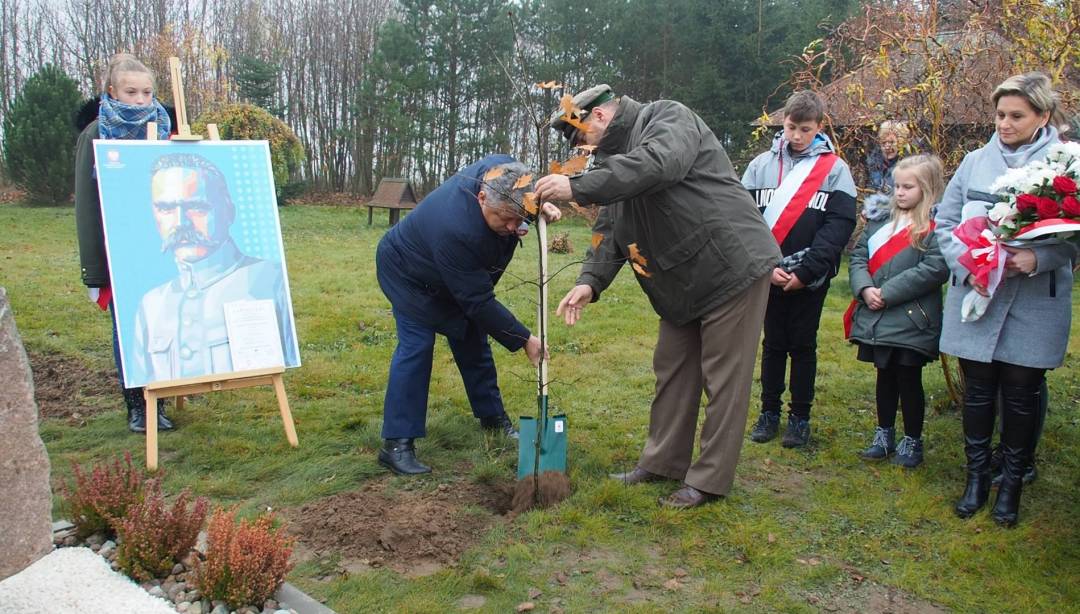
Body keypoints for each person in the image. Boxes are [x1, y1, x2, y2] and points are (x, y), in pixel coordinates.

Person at [534, 85, 781, 509]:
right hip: (680, 280)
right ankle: (663, 461)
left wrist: (577, 186)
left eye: (579, 137)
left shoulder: (667, 118)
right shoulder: (613, 162)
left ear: (598, 117)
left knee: (724, 378)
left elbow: (658, 165)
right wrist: (589, 281)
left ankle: (708, 480)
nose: (581, 147)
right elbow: (611, 230)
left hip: (730, 264)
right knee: (672, 368)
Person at [935, 72, 1075, 527]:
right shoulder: (975, 161)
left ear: (1042, 116)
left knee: (1020, 394)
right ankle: (975, 479)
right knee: (978, 391)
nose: (1005, 124)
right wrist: (970, 264)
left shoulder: (1066, 164)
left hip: (1034, 299)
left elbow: (1074, 236)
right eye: (999, 115)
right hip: (978, 294)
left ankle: (1011, 483)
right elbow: (945, 222)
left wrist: (1038, 257)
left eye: (1016, 116)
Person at [375, 156, 561, 475]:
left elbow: (518, 193)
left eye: (521, 219)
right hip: (409, 274)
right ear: (481, 198)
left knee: (473, 338)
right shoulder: (455, 228)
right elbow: (477, 301)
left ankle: (492, 418)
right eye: (507, 220)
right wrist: (524, 340)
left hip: (455, 273)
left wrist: (536, 205)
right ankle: (397, 444)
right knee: (417, 347)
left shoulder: (504, 173)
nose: (516, 229)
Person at [741, 91, 857, 448]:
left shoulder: (835, 170)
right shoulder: (760, 165)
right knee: (773, 344)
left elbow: (839, 225)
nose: (796, 136)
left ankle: (800, 418)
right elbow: (744, 219)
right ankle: (769, 413)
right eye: (791, 127)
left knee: (803, 345)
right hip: (768, 273)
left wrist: (806, 272)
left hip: (811, 277)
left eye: (805, 129)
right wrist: (766, 266)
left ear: (818, 127)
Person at [130, 153, 297, 384]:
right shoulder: (151, 304)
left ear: (229, 212)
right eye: (166, 208)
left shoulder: (271, 281)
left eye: (197, 207)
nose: (181, 223)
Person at [75, 53, 174, 433]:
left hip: (161, 247)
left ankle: (159, 399)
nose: (139, 100)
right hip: (119, 251)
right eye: (131, 92)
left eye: (147, 92)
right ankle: (136, 404)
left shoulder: (163, 130)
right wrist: (95, 270)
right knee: (129, 327)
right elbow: (87, 206)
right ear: (113, 92)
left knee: (162, 323)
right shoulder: (96, 134)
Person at [847, 154, 949, 468]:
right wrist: (865, 288)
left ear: (928, 188)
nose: (900, 192)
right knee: (885, 378)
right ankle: (884, 434)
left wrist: (887, 293)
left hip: (911, 319)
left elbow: (934, 268)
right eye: (897, 186)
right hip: (878, 317)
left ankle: (912, 439)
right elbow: (858, 257)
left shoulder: (936, 227)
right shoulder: (880, 220)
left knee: (908, 379)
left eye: (908, 187)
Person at [865, 121, 911, 195]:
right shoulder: (874, 163)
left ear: (901, 143)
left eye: (892, 142)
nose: (887, 147)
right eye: (883, 143)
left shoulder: (909, 166)